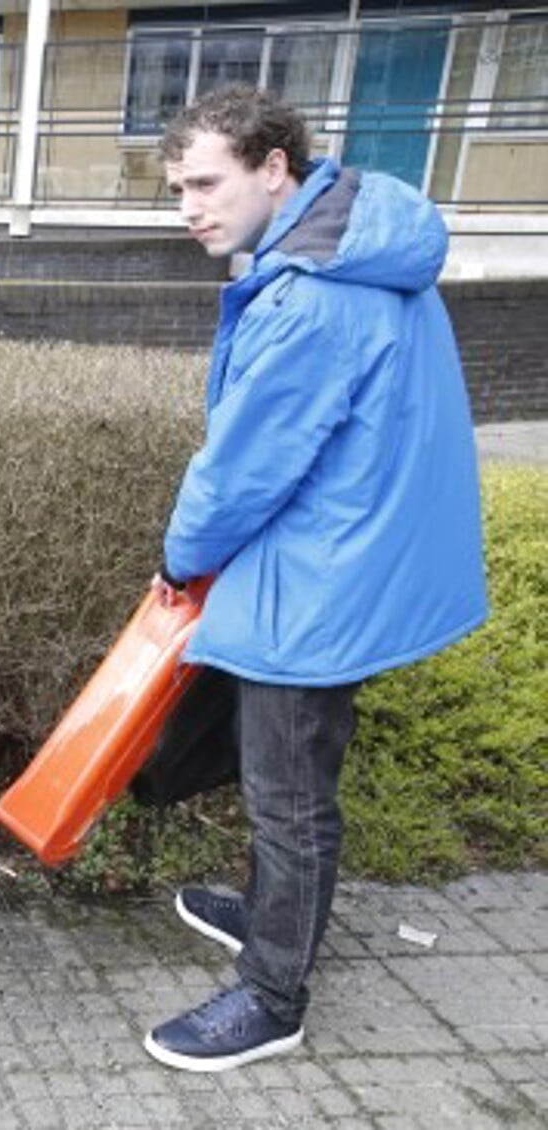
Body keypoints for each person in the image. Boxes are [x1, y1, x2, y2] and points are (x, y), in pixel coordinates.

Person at [145, 84, 487, 1073]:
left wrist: (178, 557)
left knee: (286, 792)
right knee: (294, 778)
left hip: (314, 580)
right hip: (350, 553)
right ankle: (268, 917)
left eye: (204, 183)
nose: (188, 208)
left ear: (271, 169)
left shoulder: (310, 296)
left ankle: (270, 992)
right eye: (175, 189)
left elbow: (241, 465)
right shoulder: (360, 247)